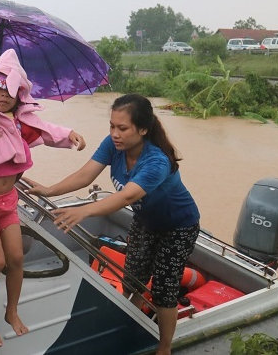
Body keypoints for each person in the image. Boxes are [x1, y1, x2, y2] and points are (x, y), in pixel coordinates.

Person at [23, 93, 200, 355]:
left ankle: (164, 347)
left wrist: (83, 211)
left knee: (164, 287)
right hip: (147, 221)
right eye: (112, 126)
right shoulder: (113, 146)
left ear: (142, 129)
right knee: (132, 277)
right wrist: (49, 190)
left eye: (123, 128)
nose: (115, 133)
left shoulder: (156, 161)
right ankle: (131, 322)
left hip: (178, 226)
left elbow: (126, 196)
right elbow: (85, 175)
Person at [0, 49, 86, 346]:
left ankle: (11, 311)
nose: (4, 96)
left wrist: (69, 135)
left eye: (12, 91)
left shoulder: (18, 123)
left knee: (16, 258)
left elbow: (46, 130)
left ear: (20, 95)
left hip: (7, 202)